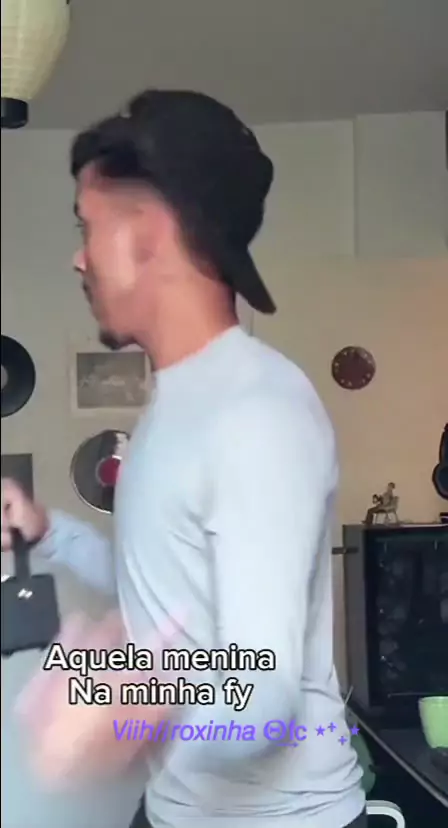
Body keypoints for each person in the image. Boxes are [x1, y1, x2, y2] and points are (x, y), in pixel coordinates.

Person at [1, 89, 366, 827]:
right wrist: (50, 531)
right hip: (174, 811)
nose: (78, 257)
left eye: (88, 226)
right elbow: (170, 601)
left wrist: (119, 713)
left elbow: (262, 700)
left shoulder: (257, 413)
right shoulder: (179, 403)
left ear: (152, 233)